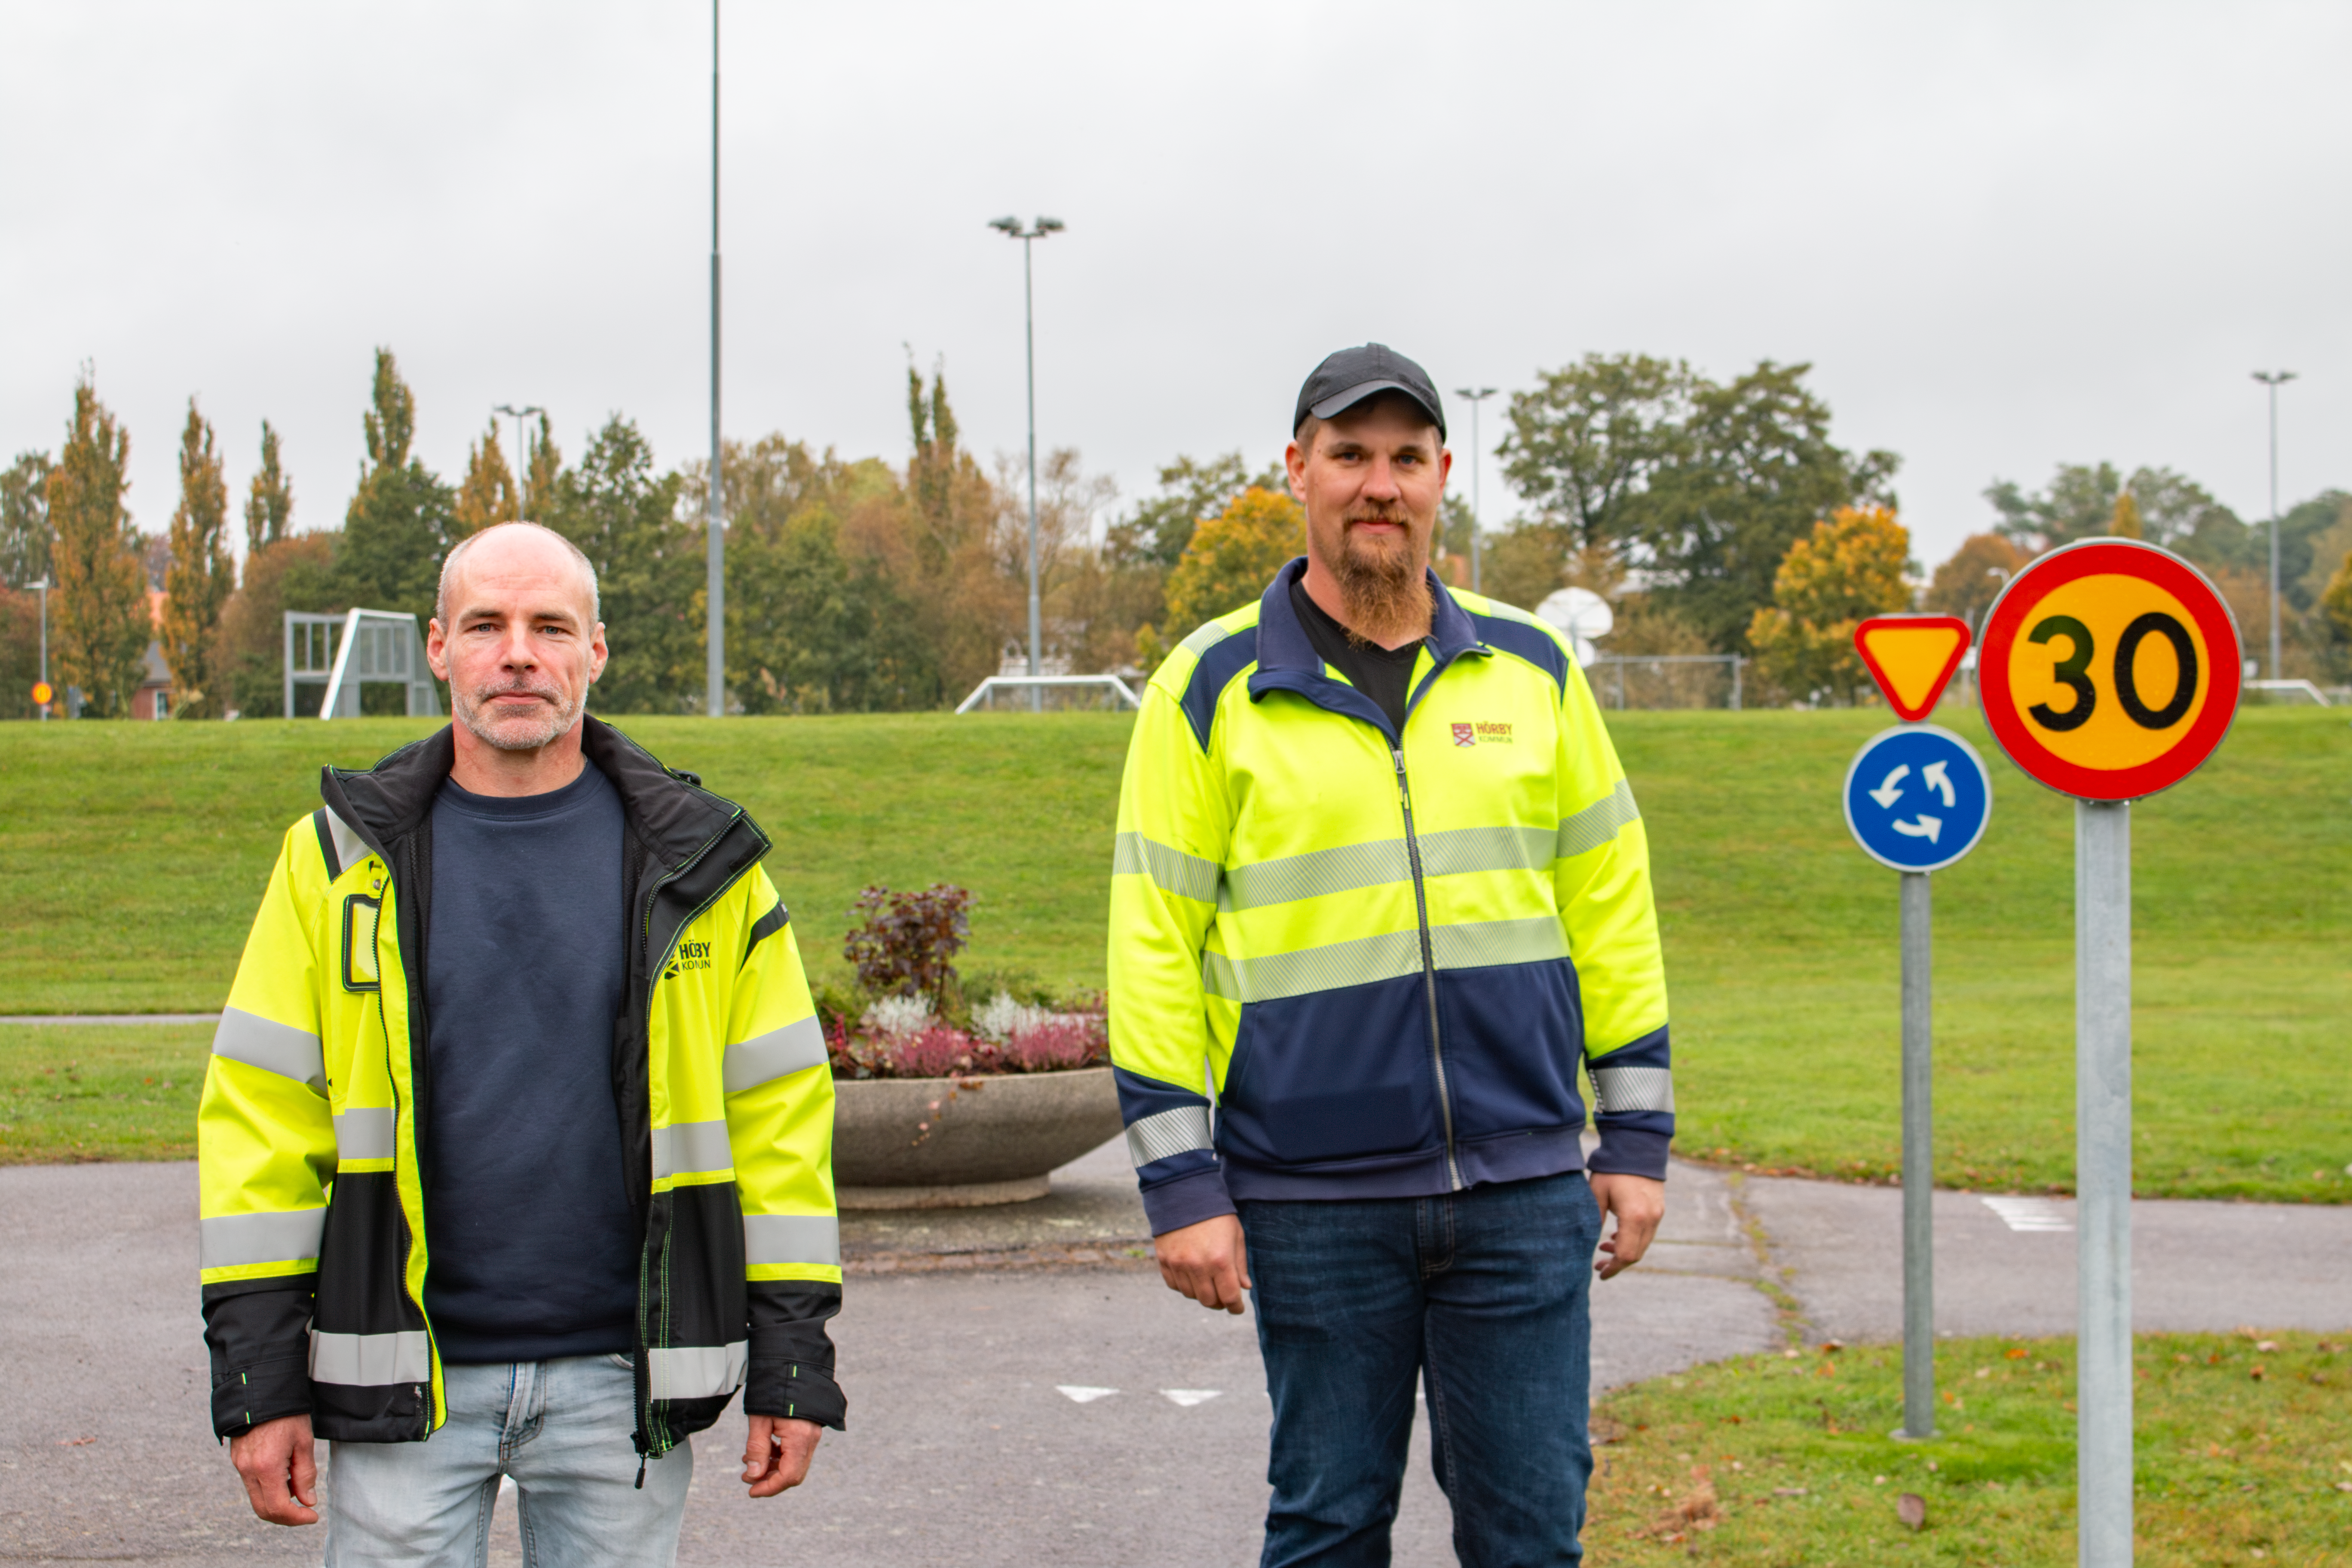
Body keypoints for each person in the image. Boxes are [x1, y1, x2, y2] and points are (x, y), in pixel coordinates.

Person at [1108, 345, 1672, 1565]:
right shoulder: (1208, 689)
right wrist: (1180, 1184)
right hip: (1311, 1204)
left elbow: (1611, 910)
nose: (1380, 484)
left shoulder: (1533, 671)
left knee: (1530, 1535)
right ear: (1297, 470)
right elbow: (1154, 941)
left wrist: (1633, 1139)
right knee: (1326, 1529)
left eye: (1406, 458)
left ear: (1442, 477)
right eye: (1351, 455)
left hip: (1522, 1193)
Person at [197, 521, 844, 1565]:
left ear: (596, 650)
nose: (518, 653)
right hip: (401, 1375)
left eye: (550, 626)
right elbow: (260, 1130)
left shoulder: (707, 869)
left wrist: (793, 1363)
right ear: (438, 647)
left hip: (617, 1381)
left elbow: (780, 1130)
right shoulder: (331, 863)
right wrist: (257, 1381)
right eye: (487, 624)